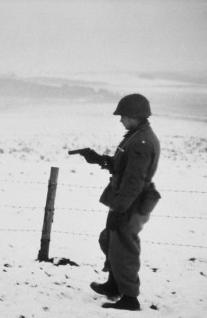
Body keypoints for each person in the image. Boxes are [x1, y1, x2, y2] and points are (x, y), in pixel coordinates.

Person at [75, 94, 161, 311]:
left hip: (131, 202)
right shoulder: (136, 136)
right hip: (126, 200)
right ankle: (115, 284)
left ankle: (130, 298)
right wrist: (101, 159)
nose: (120, 120)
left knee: (123, 248)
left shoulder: (141, 142)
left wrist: (119, 210)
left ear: (134, 116)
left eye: (123, 116)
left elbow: (134, 180)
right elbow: (125, 167)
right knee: (109, 240)